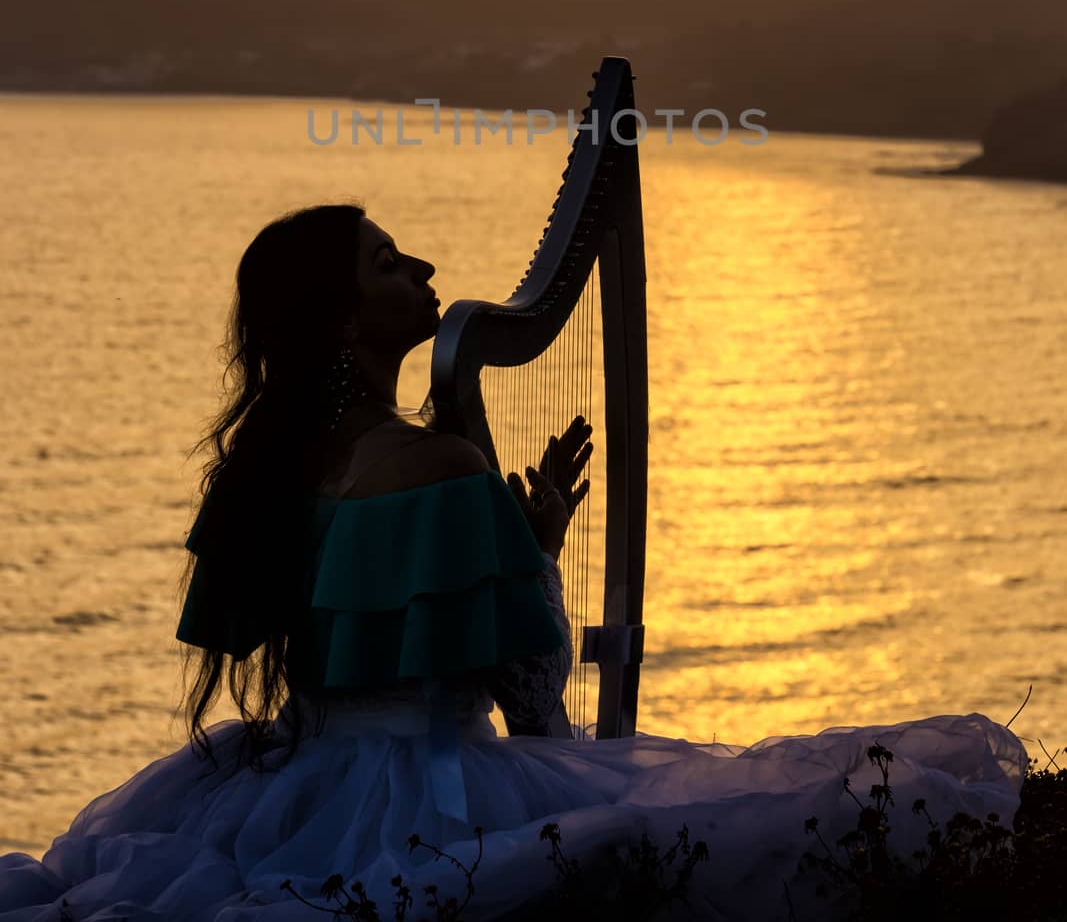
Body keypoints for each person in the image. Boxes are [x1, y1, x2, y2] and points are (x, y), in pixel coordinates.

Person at [0, 202, 1027, 921]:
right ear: (347, 316)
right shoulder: (438, 462)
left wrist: (511, 536)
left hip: (288, 793)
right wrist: (535, 556)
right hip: (430, 797)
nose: (425, 273)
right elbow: (533, 702)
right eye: (389, 261)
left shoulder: (259, 472)